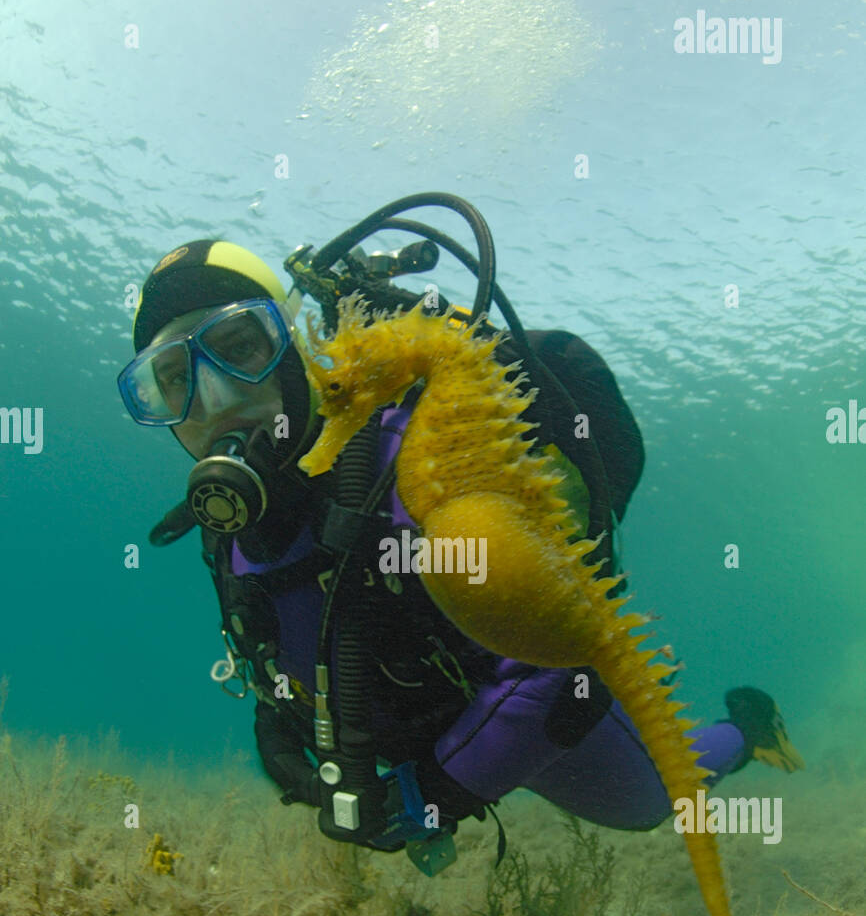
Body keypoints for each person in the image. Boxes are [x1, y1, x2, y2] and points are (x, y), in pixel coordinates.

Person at [118, 227, 803, 879]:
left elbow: (558, 668)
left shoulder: (416, 469)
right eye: (171, 378)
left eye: (240, 346)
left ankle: (747, 727)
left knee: (648, 803)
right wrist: (278, 727)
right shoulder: (227, 525)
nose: (211, 399)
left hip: (523, 720)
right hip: (424, 728)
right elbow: (279, 638)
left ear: (296, 345)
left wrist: (434, 792)